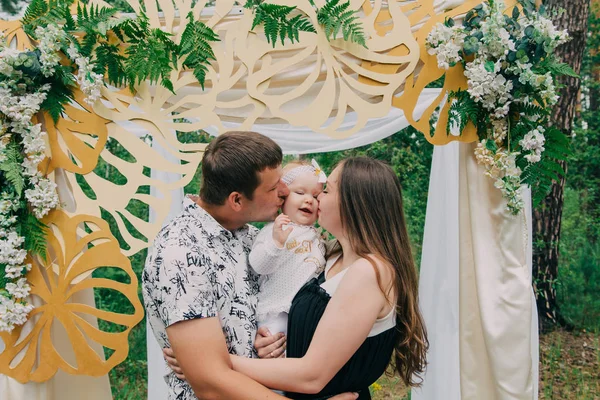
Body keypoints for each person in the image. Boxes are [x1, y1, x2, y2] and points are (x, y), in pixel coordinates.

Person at [165, 157, 429, 399]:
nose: (316, 199)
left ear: (354, 202)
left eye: (325, 191)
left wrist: (207, 363)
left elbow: (311, 376)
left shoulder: (369, 271)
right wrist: (270, 343)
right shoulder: (331, 256)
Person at [142, 131, 358, 400]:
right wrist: (204, 364)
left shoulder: (254, 237)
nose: (284, 191)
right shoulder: (180, 253)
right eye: (273, 187)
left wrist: (261, 341)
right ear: (236, 200)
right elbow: (211, 383)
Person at [251, 159, 328, 337]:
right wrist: (276, 243)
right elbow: (258, 266)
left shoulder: (317, 235)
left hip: (305, 314)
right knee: (276, 354)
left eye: (316, 196)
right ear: (282, 198)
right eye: (300, 192)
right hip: (277, 313)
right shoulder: (274, 230)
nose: (309, 200)